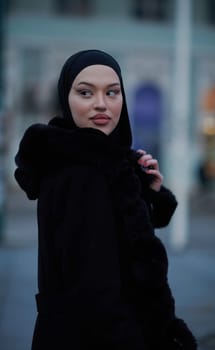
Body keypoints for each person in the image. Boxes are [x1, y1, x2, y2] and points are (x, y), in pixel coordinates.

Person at [15, 49, 197, 350]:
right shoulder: (81, 173)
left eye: (112, 92)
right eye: (85, 92)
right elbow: (95, 298)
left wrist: (148, 194)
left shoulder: (97, 162)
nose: (101, 104)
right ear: (66, 98)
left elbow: (117, 238)